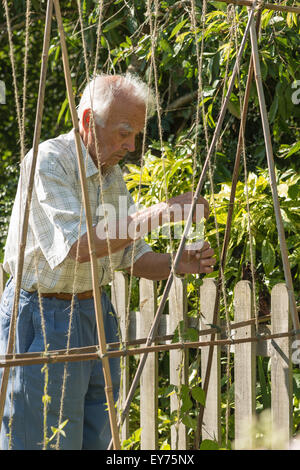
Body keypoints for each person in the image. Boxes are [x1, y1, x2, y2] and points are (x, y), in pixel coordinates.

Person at [0, 73, 216, 450]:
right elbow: (78, 246)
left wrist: (177, 263)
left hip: (95, 312)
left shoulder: (111, 175)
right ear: (87, 122)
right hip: (42, 315)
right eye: (123, 133)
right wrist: (164, 213)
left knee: (97, 437)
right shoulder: (49, 162)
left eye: (136, 135)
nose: (131, 146)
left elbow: (130, 257)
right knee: (41, 440)